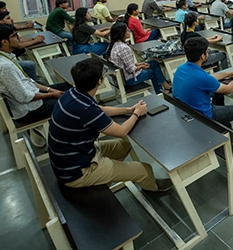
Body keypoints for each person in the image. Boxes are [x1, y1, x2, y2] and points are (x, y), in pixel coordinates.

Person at [48, 57, 172, 192]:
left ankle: (105, 178)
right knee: (145, 169)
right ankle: (153, 188)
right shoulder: (85, 109)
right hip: (78, 172)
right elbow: (121, 131)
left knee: (124, 146)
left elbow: (99, 109)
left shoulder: (73, 93)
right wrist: (137, 114)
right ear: (99, 81)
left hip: (74, 157)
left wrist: (129, 110)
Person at [0, 24, 71, 147]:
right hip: (28, 109)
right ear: (4, 42)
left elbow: (28, 80)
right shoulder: (4, 67)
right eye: (14, 36)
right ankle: (65, 140)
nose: (19, 37)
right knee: (70, 102)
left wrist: (49, 89)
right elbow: (24, 97)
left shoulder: (1, 56)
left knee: (69, 86)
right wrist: (51, 95)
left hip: (30, 94)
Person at [173, 37, 233, 136]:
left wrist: (227, 74)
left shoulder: (181, 68)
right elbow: (228, 89)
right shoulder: (202, 77)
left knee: (218, 94)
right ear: (202, 56)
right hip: (204, 115)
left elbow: (209, 78)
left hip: (187, 110)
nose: (208, 53)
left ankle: (224, 126)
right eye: (207, 51)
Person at [107, 22, 171, 94]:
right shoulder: (124, 48)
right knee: (153, 72)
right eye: (127, 30)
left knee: (154, 63)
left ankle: (166, 87)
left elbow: (125, 64)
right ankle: (160, 92)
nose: (129, 31)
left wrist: (139, 64)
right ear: (122, 34)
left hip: (120, 78)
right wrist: (141, 67)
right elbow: (131, 69)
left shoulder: (112, 45)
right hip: (129, 80)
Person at [0, 11, 44, 81]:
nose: (12, 19)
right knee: (29, 64)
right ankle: (34, 83)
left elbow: (19, 40)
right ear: (1, 21)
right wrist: (35, 41)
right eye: (8, 18)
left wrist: (33, 39)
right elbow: (19, 45)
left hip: (5, 58)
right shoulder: (1, 33)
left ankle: (33, 82)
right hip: (5, 61)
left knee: (29, 63)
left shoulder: (2, 29)